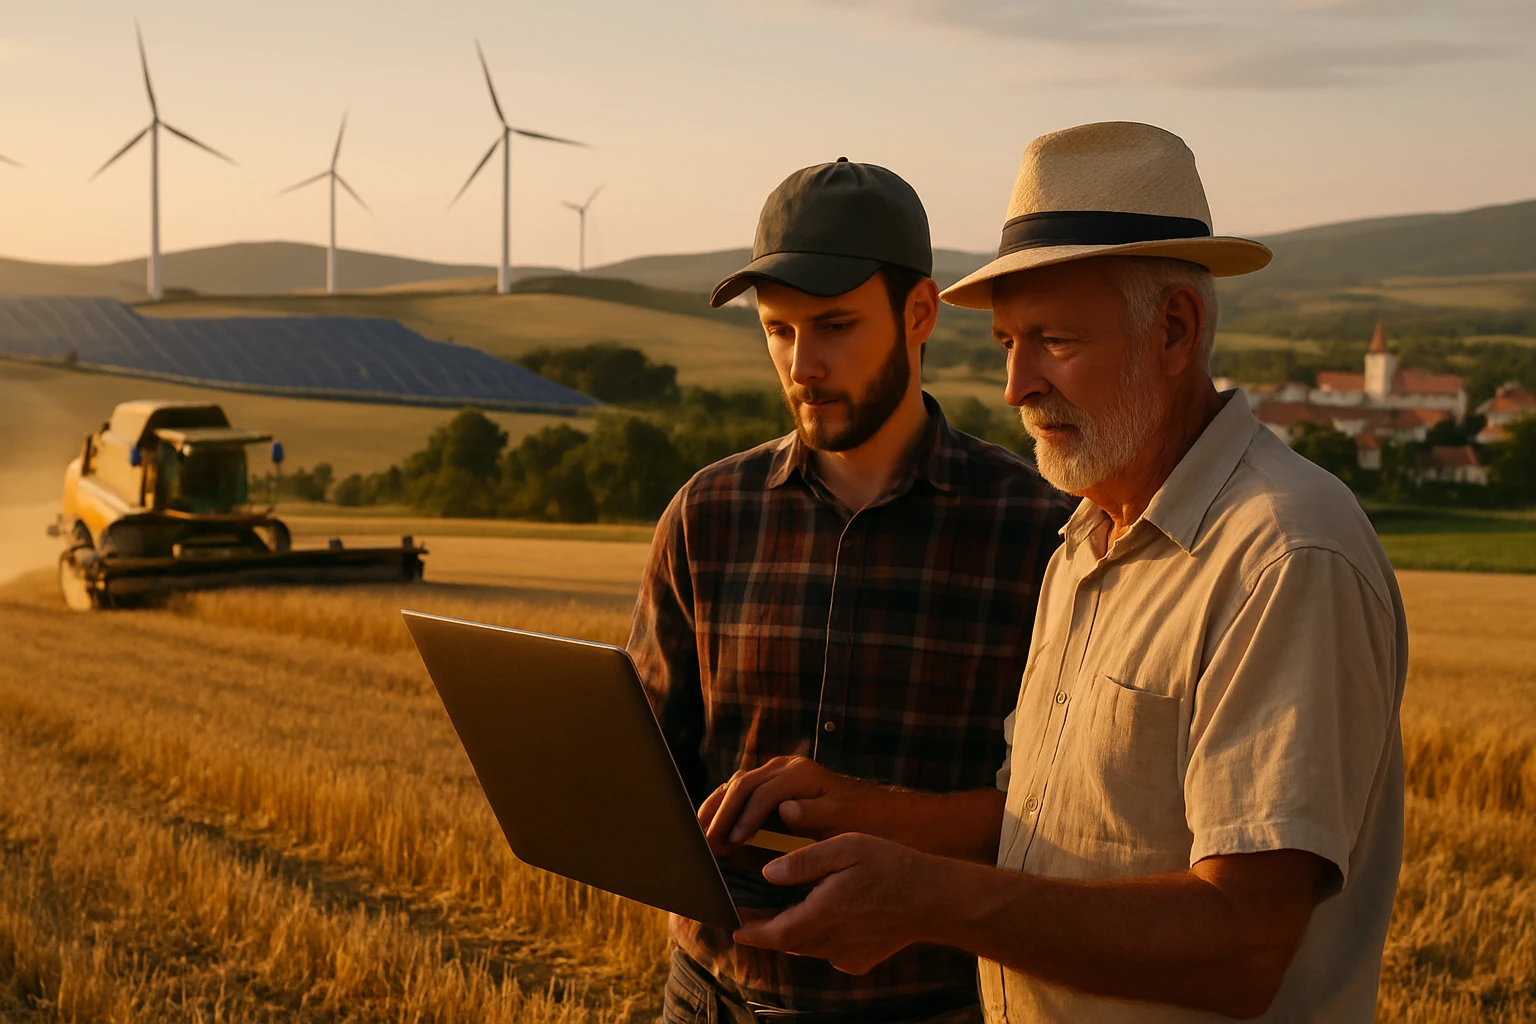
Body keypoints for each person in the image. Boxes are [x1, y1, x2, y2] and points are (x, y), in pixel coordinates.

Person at [702, 122, 1408, 1023]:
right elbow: (1047, 829)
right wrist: (859, 811)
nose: (1017, 385)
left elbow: (1243, 942)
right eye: (1007, 343)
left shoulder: (1283, 556)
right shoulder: (1086, 540)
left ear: (1176, 330)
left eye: (1053, 341)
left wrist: (931, 900)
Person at [628, 158, 1070, 1022]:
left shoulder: (1040, 532)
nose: (803, 365)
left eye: (834, 326)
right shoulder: (706, 515)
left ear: (921, 313)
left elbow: (1067, 813)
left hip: (932, 1007)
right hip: (710, 997)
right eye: (778, 329)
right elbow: (649, 762)